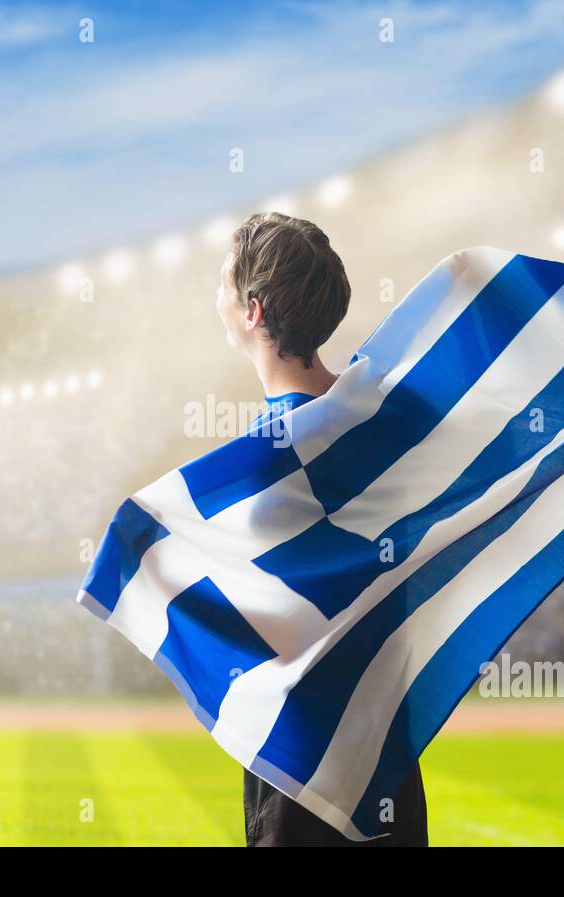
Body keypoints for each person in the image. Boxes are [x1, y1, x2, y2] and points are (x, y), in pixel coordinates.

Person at [214, 212, 428, 847]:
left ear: (253, 311)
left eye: (223, 283)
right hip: (388, 758)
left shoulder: (260, 466)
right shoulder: (390, 423)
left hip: (298, 762)